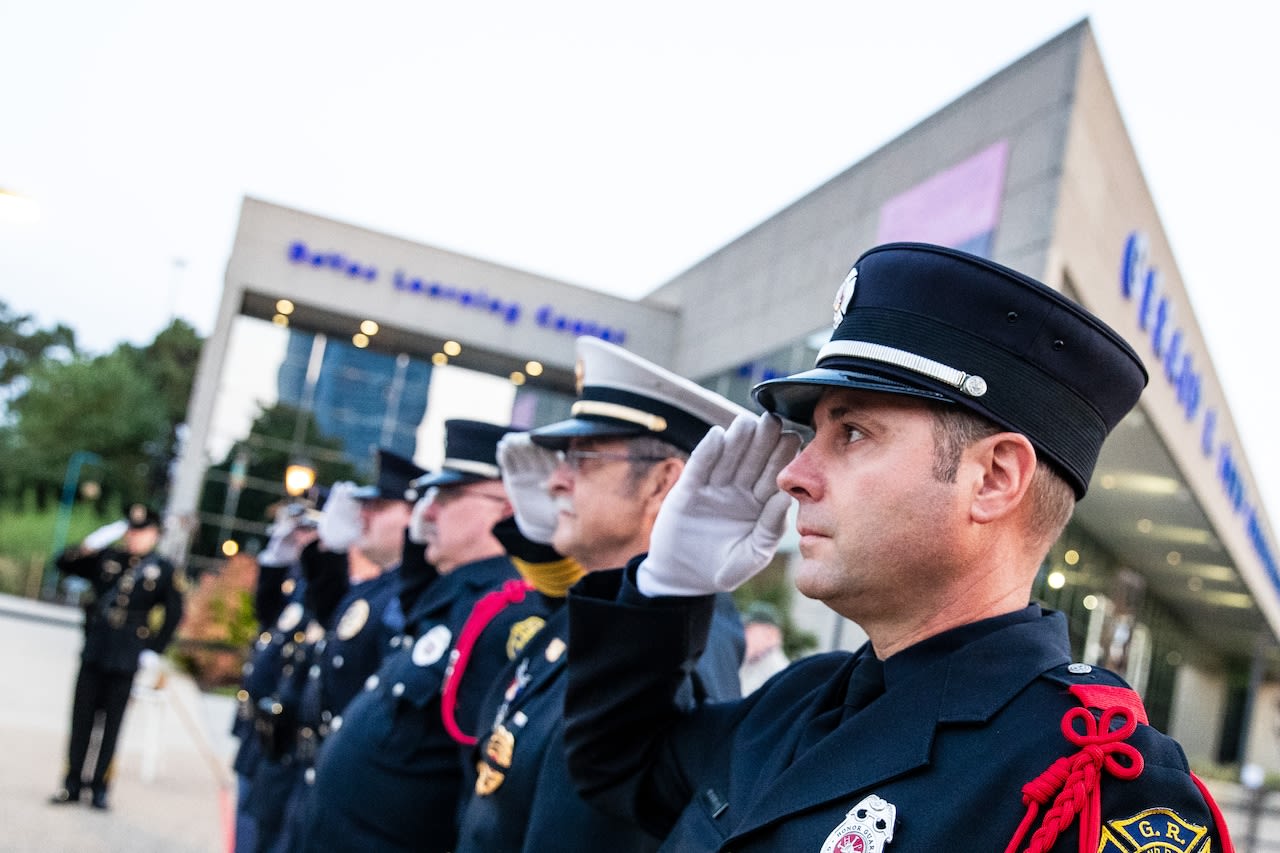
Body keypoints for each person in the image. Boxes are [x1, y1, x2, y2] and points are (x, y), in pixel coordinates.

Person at [561, 243, 1235, 850]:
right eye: (810, 435)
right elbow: (616, 768)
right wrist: (667, 586)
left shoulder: (1095, 779)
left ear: (993, 479)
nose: (793, 475)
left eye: (851, 433)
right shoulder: (798, 698)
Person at [453, 336, 748, 853]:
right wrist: (533, 538)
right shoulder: (604, 614)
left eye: (581, 460)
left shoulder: (680, 646)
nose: (555, 483)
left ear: (662, 484)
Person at [296, 420, 556, 853]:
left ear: (507, 508)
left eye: (448, 496)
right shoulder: (456, 597)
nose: (428, 512)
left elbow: (478, 794)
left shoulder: (507, 614)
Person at [246, 449, 423, 853]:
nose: (365, 516)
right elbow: (325, 612)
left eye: (379, 507)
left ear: (416, 514)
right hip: (304, 769)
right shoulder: (374, 590)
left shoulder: (404, 595)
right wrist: (324, 550)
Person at [49, 503, 185, 810]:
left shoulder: (162, 569)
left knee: (112, 725)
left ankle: (100, 786)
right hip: (96, 647)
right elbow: (63, 563)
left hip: (127, 654)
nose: (136, 538)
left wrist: (154, 650)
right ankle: (72, 782)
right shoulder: (108, 557)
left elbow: (174, 613)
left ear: (155, 534)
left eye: (143, 532)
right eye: (132, 531)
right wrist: (93, 542)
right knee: (82, 719)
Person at [738, 601, 789, 695]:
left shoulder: (778, 669)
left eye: (749, 629)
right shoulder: (750, 660)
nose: (744, 633)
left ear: (769, 633)